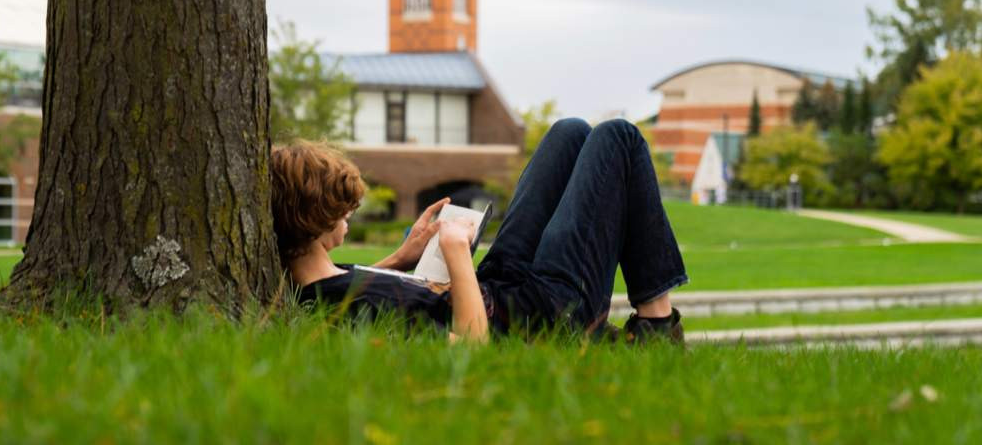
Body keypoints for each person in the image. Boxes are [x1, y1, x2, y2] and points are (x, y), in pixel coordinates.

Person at [271, 117, 688, 344]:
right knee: (619, 138)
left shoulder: (316, 282)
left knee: (569, 132)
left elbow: (356, 287)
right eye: (342, 210)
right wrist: (454, 254)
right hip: (540, 316)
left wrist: (404, 257)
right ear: (316, 222)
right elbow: (472, 344)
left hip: (501, 289)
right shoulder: (336, 304)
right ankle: (656, 330)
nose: (349, 215)